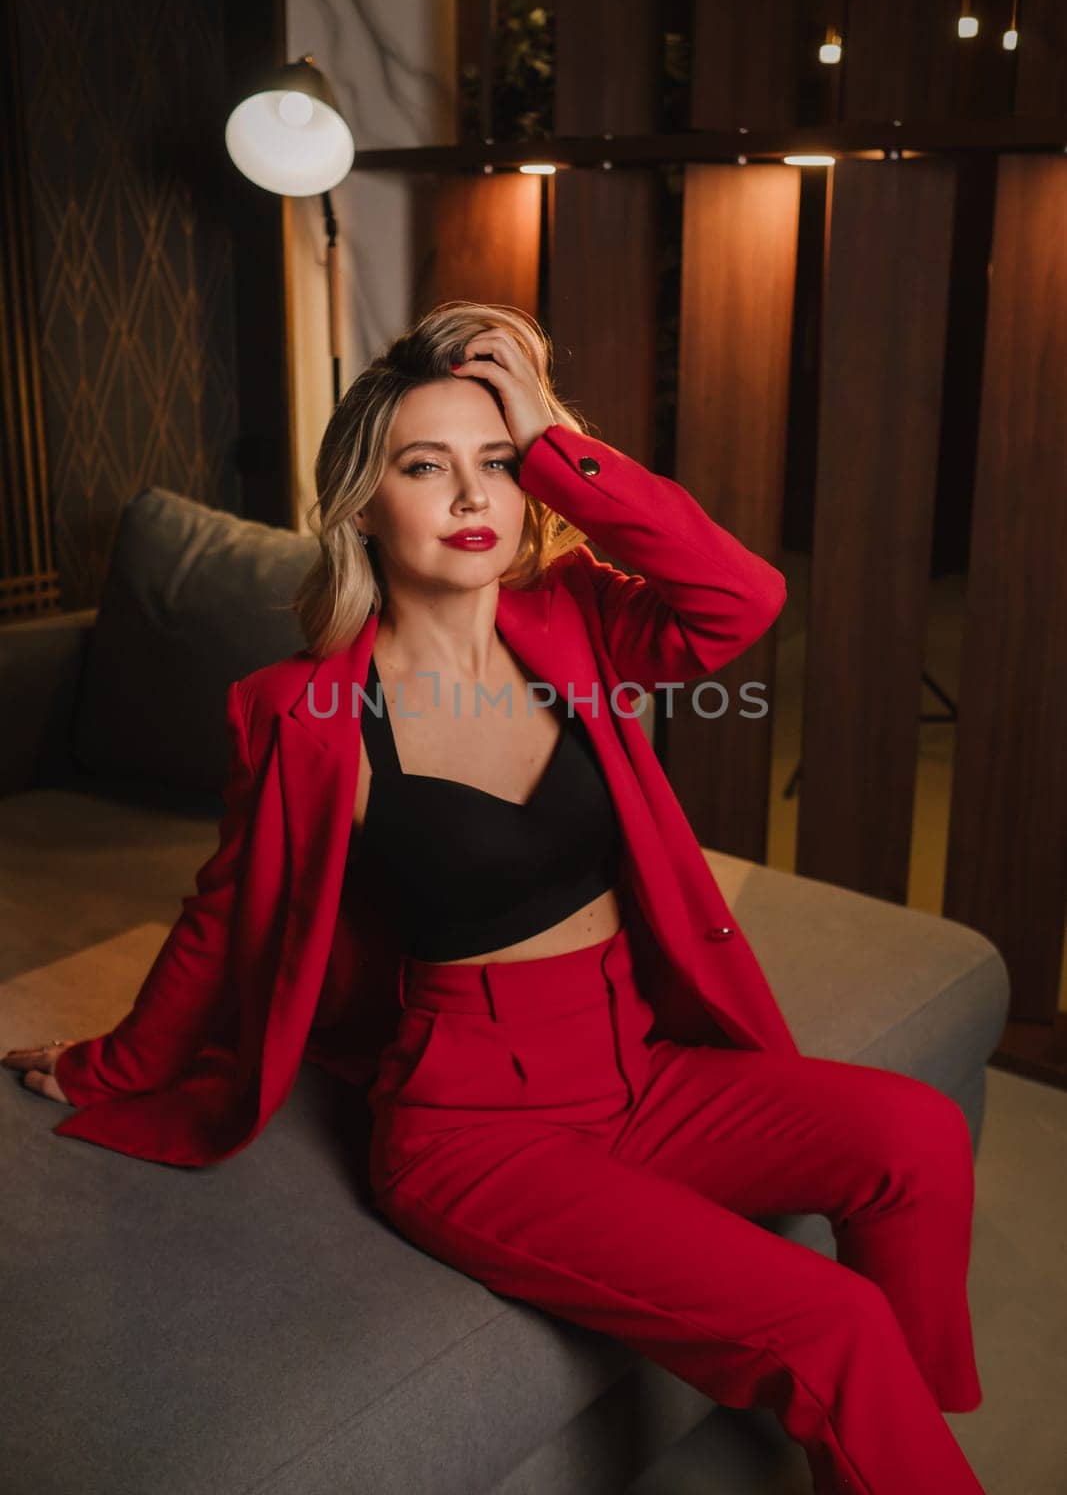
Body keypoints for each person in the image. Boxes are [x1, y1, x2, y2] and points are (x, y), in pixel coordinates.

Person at [3, 302, 986, 1494]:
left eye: (496, 464)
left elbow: (741, 599)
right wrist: (109, 1065)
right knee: (828, 1319)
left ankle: (890, 1449)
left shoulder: (572, 623)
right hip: (474, 1131)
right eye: (427, 467)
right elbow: (225, 920)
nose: (472, 497)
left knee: (915, 1137)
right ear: (364, 500)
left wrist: (554, 434)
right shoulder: (306, 714)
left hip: (642, 1066)